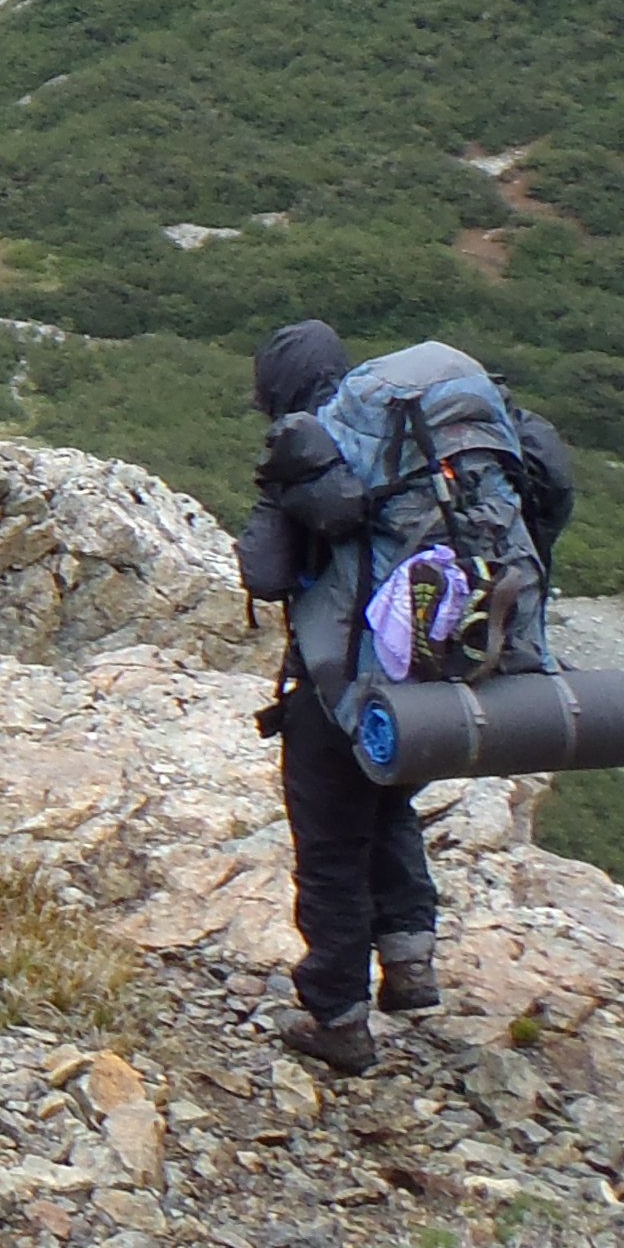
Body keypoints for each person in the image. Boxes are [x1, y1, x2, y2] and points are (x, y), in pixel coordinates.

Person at [241, 316, 433, 1072]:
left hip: (335, 680)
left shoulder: (306, 447)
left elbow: (264, 574)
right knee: (390, 806)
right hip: (425, 673)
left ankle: (339, 1019)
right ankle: (412, 959)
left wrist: (272, 494)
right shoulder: (407, 439)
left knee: (330, 845)